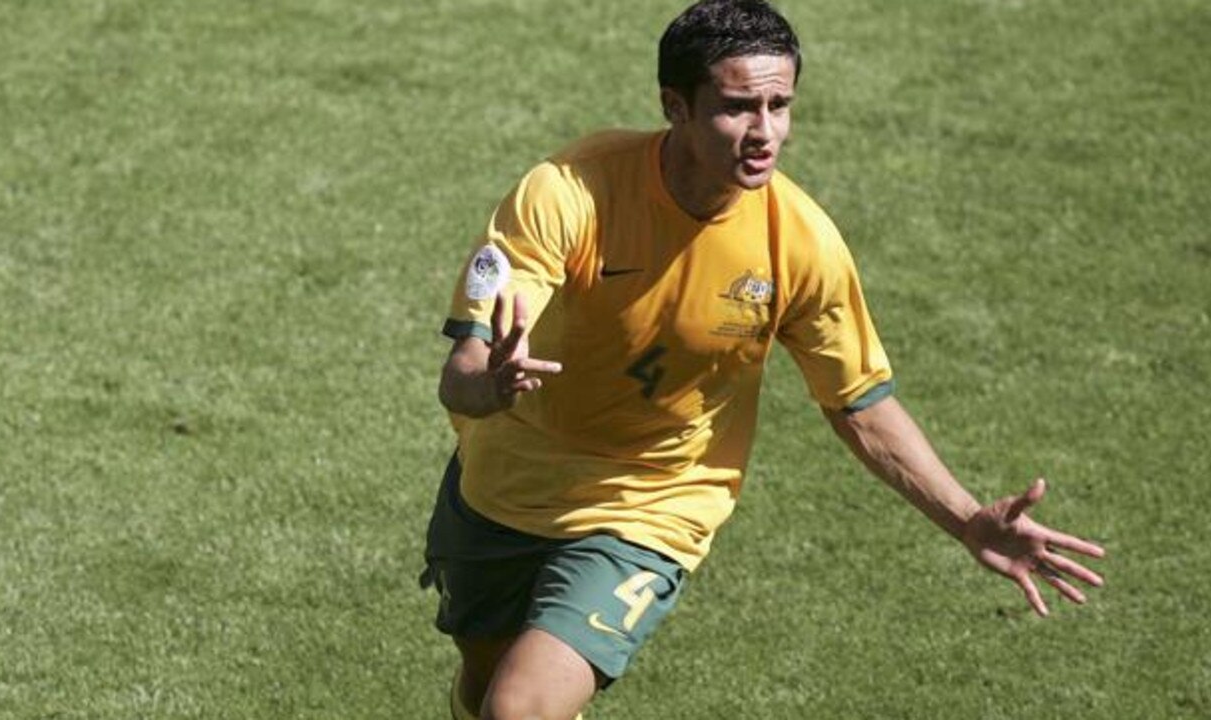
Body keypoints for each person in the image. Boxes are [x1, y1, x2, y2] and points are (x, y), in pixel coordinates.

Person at [420, 1, 1106, 718]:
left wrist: (968, 520)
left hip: (653, 504)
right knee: (482, 690)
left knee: (518, 709)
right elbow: (463, 370)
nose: (765, 132)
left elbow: (860, 406)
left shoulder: (800, 243)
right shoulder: (567, 193)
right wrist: (492, 386)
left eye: (781, 105)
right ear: (675, 106)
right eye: (739, 107)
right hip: (504, 483)